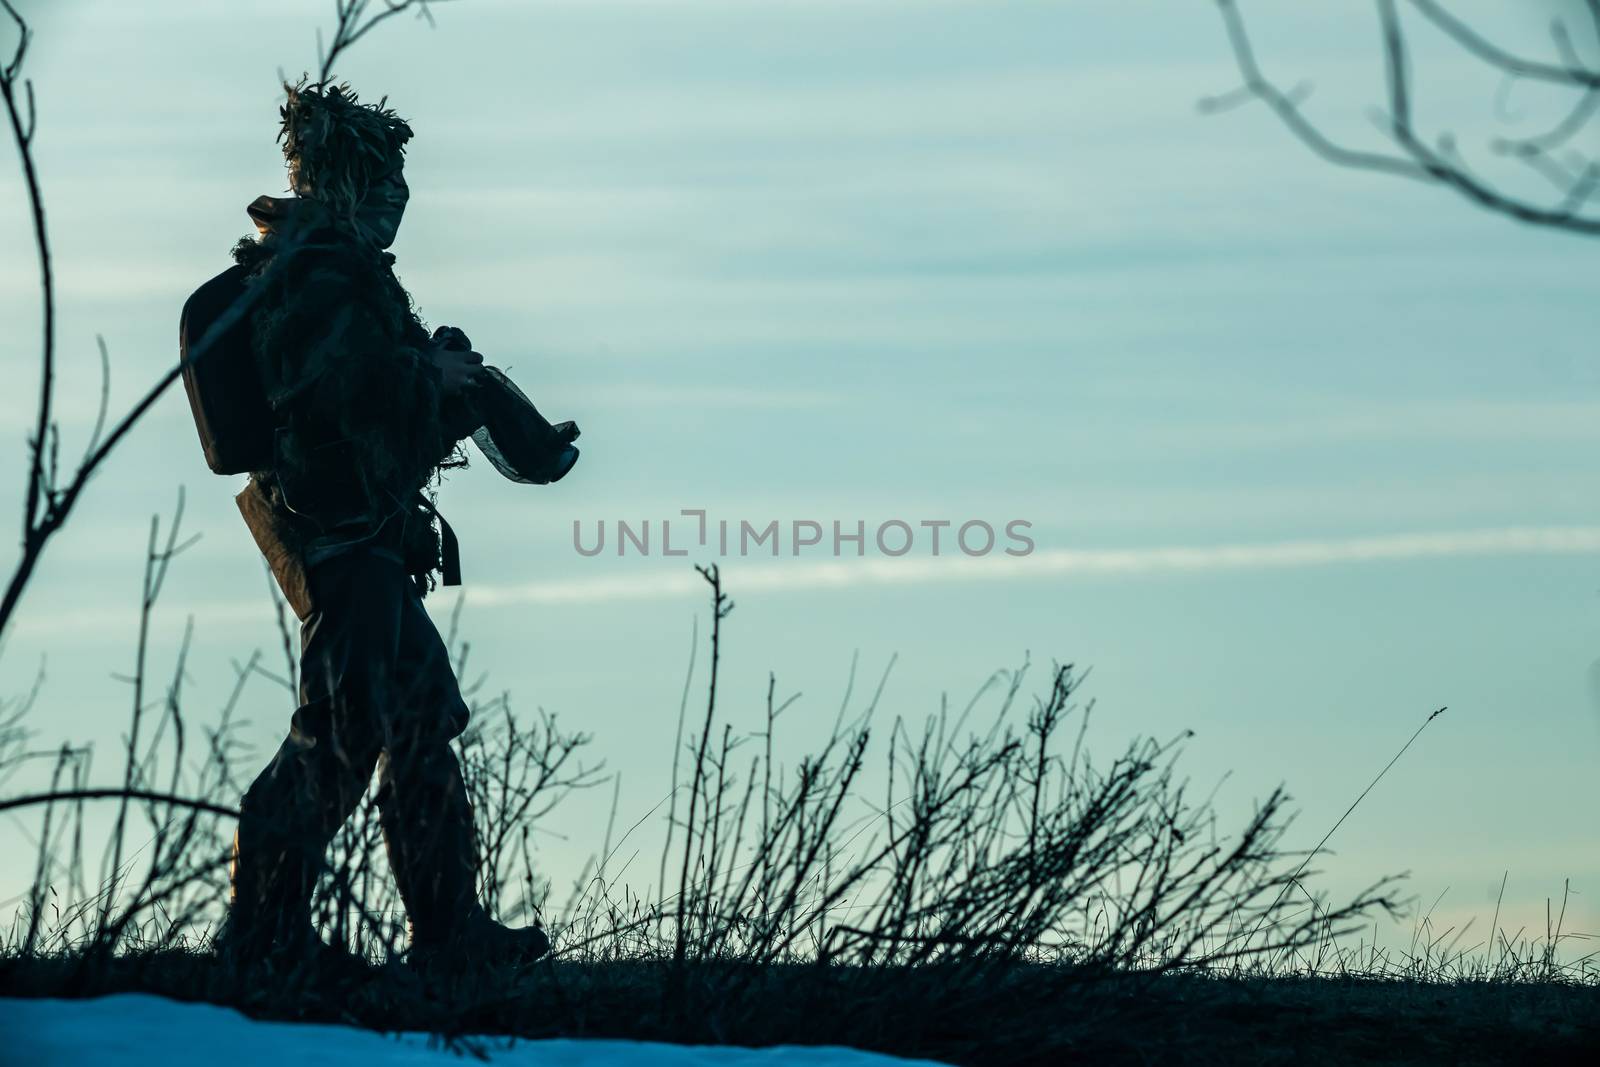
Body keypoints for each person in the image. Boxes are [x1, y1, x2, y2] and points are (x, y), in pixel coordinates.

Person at [197, 81, 559, 974]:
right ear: (351, 178)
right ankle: (261, 938)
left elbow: (370, 407)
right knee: (340, 729)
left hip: (366, 537)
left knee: (417, 720)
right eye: (386, 175)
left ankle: (448, 936)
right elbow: (339, 403)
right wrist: (429, 374)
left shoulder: (332, 268)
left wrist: (445, 384)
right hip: (338, 535)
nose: (401, 194)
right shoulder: (322, 273)